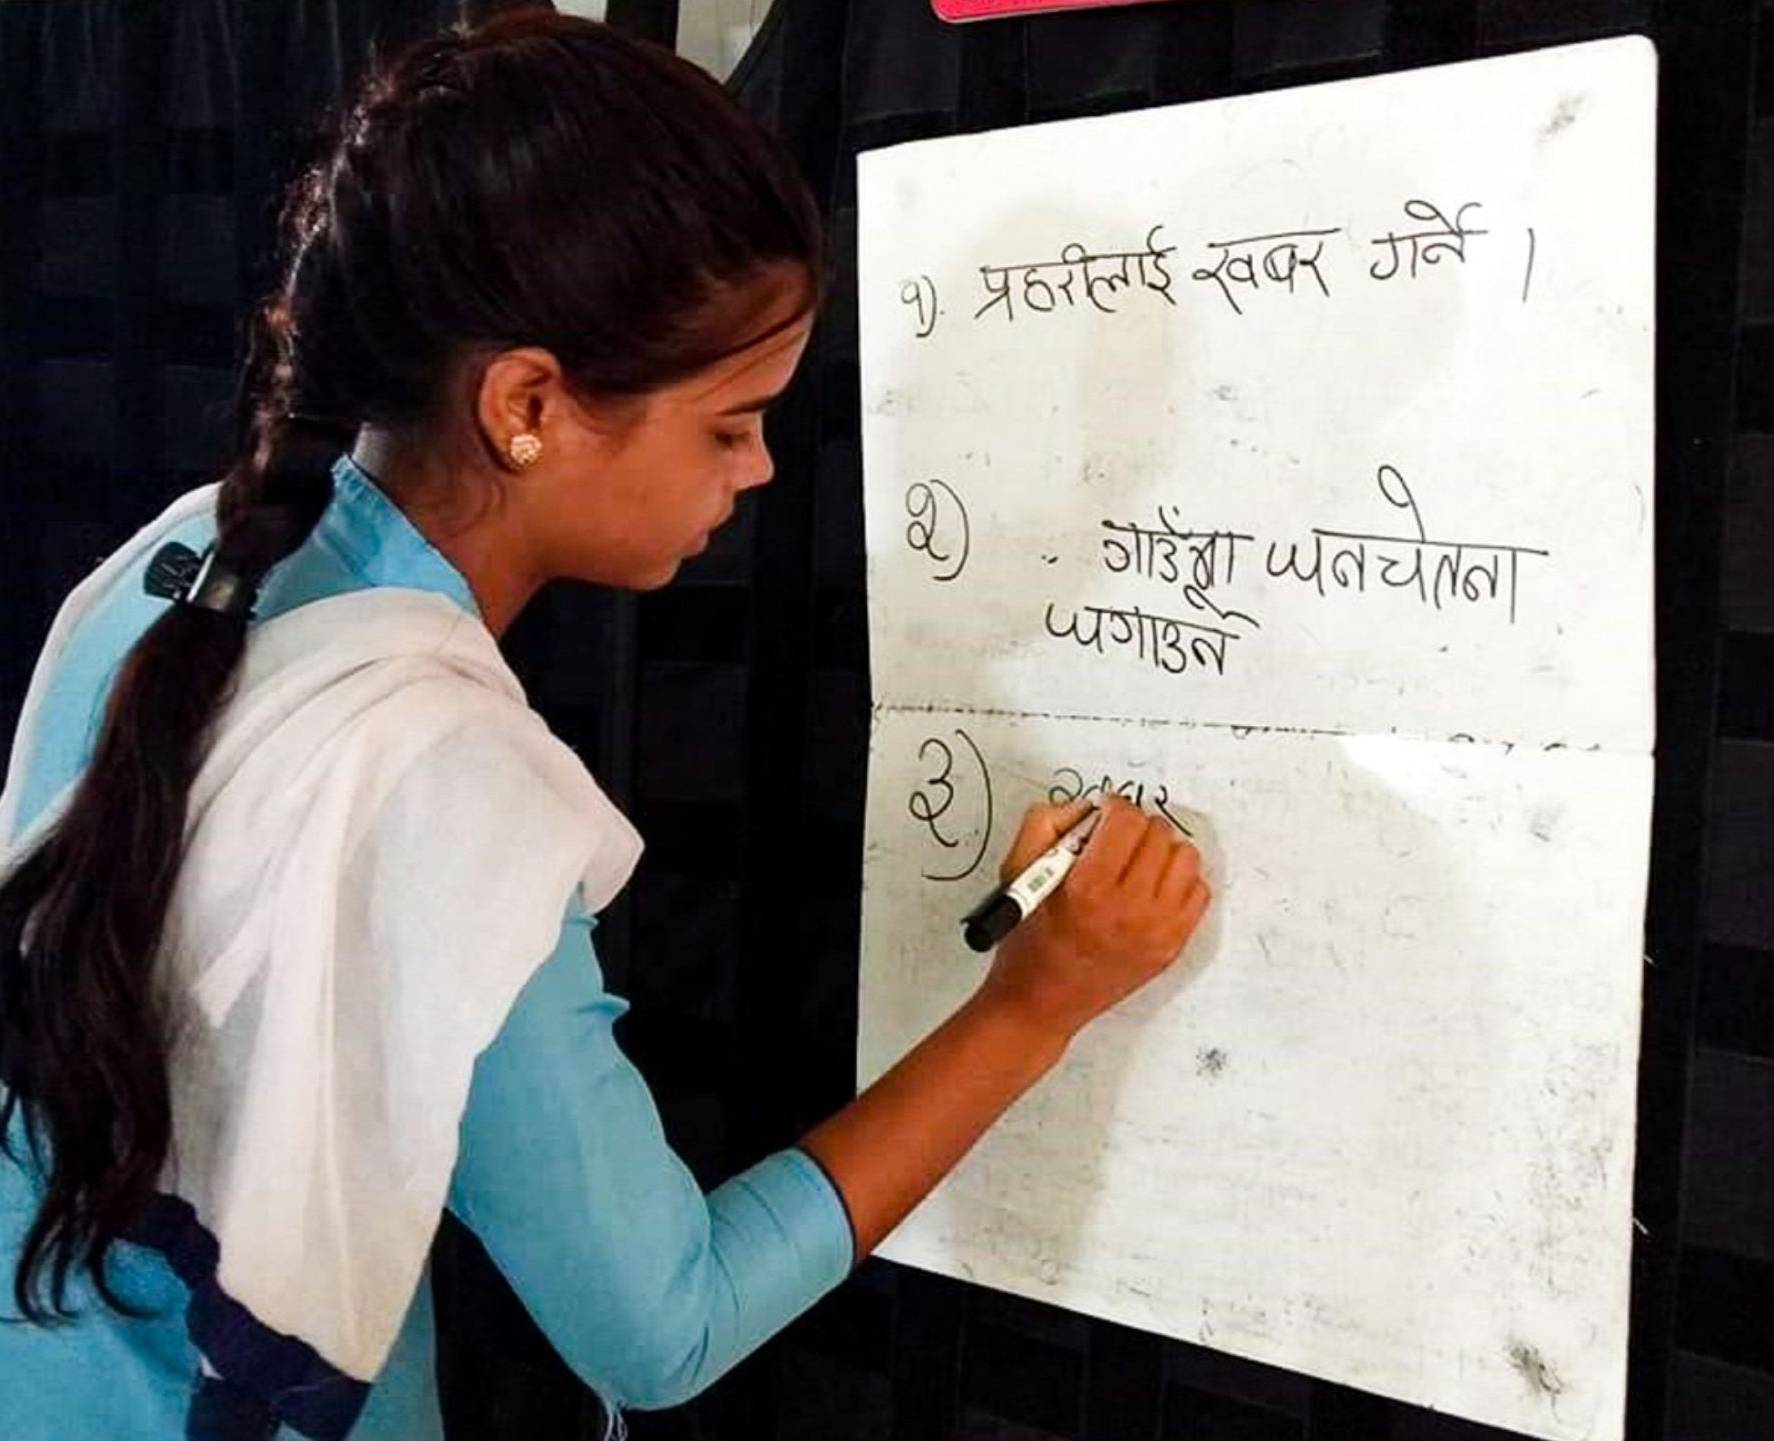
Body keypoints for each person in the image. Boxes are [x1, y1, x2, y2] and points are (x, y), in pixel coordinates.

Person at [0, 12, 1209, 1440]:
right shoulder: (443, 778)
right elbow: (661, 1324)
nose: (761, 467)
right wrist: (1034, 1006)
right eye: (727, 421)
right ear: (527, 403)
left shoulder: (165, 574)